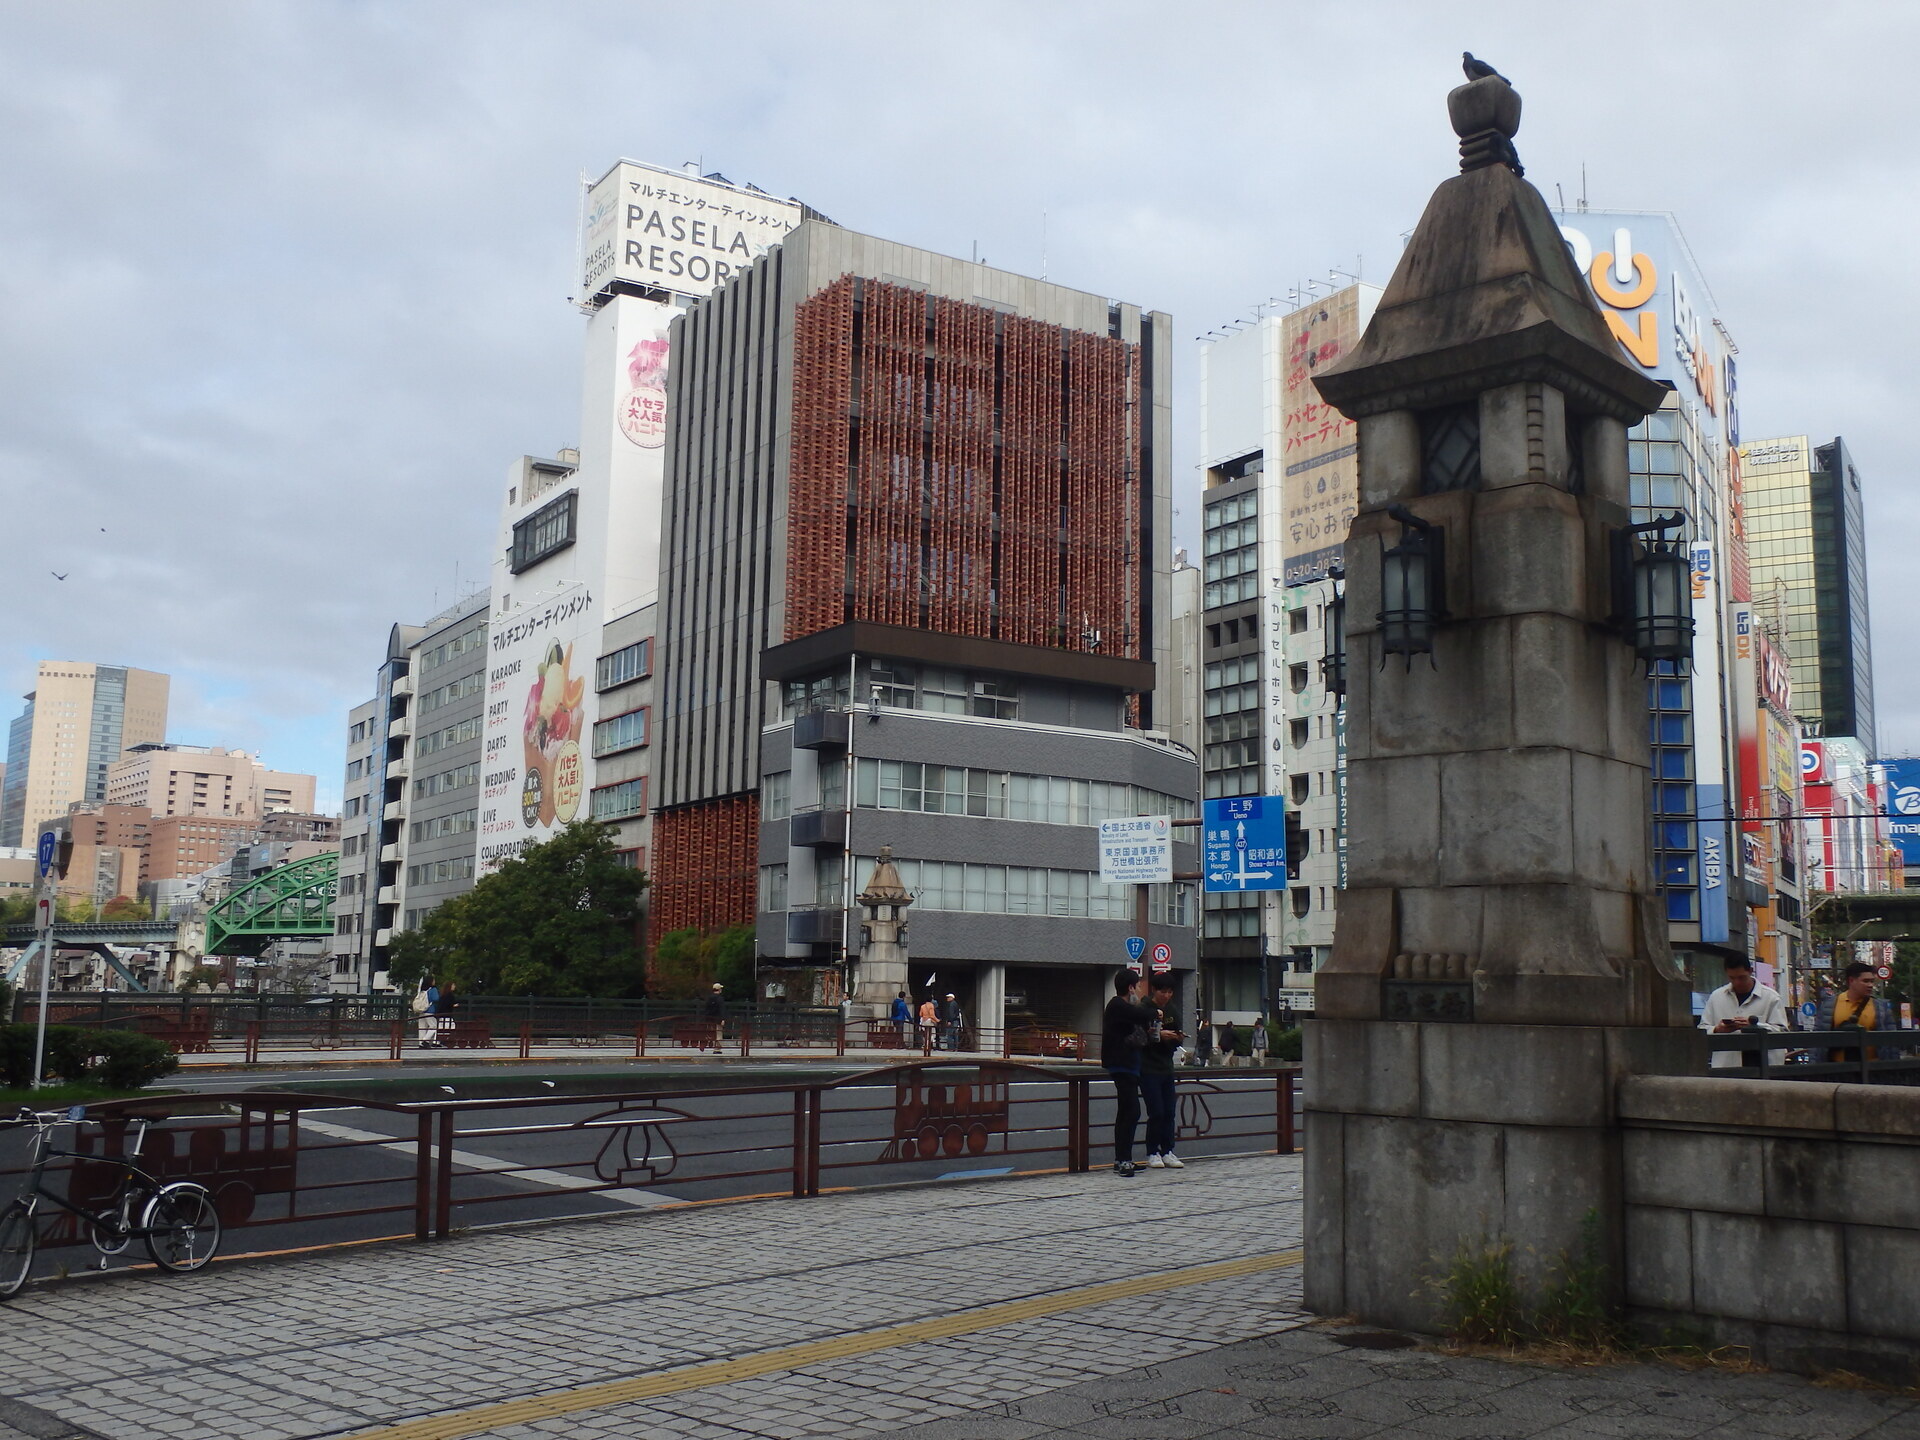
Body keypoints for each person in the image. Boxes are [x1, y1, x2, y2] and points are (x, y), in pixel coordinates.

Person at [1100, 969, 1156, 1177]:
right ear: (1130, 987)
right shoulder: (1117, 1005)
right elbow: (1143, 1014)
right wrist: (1155, 1012)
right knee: (1131, 1111)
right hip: (1121, 1064)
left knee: (1126, 1111)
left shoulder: (1123, 1008)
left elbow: (1136, 1022)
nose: (1139, 990)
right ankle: (1123, 1160)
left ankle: (1123, 1159)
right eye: (1138, 986)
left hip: (1129, 1065)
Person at [1699, 957, 1790, 1069]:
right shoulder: (1716, 997)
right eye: (1732, 978)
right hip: (1725, 1068)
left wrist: (1754, 1026)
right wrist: (1717, 1029)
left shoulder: (1771, 997)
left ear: (1751, 971)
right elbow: (1702, 1029)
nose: (1737, 982)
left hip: (1763, 1068)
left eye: (1741, 977)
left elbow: (1782, 1032)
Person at [1141, 977, 1185, 1169]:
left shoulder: (1173, 1010)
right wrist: (1158, 1036)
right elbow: (1137, 1036)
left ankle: (1168, 1151)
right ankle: (1153, 1152)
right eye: (1162, 991)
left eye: (1169, 992)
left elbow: (1178, 1036)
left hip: (1166, 1066)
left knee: (1169, 1111)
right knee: (1156, 1111)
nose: (1166, 996)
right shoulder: (1143, 1008)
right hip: (1148, 1067)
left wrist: (1176, 1038)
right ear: (1154, 990)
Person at [1819, 961, 1896, 1063]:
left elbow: (1892, 1042)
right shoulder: (1829, 1005)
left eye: (1872, 981)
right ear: (1851, 980)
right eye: (1865, 981)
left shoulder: (1882, 1007)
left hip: (1873, 1067)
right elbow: (1818, 1041)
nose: (1870, 985)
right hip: (1837, 1068)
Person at [414, 977, 440, 1049]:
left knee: (422, 1027)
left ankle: (420, 1043)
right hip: (429, 1010)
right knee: (433, 1026)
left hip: (421, 1010)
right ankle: (425, 1040)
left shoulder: (421, 990)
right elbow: (436, 998)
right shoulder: (433, 989)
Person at [432, 981, 459, 1046]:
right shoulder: (450, 995)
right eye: (453, 985)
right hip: (447, 1014)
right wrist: (453, 1005)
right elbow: (449, 1004)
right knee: (451, 1026)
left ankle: (436, 1042)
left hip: (441, 1014)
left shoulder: (443, 994)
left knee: (440, 1028)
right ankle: (445, 1040)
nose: (454, 987)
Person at [702, 982, 726, 1053]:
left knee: (712, 1033)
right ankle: (717, 1048)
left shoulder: (709, 998)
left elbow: (706, 1009)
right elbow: (722, 1009)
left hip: (710, 1018)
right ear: (719, 989)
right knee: (718, 1033)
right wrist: (723, 1019)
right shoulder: (720, 999)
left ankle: (711, 1044)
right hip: (718, 1019)